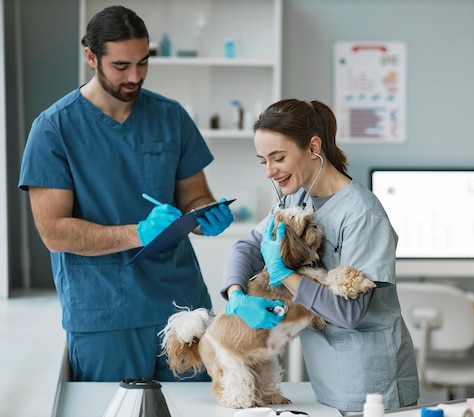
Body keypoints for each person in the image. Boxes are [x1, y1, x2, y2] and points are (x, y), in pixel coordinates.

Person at [18, 5, 234, 382]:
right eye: (121, 66)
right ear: (91, 57)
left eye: (143, 62)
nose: (135, 76)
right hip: (105, 312)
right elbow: (54, 232)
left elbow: (195, 196)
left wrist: (206, 216)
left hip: (182, 306)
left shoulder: (171, 117)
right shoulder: (54, 129)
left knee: (199, 408)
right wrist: (140, 232)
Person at [220, 99, 419, 412]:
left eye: (278, 158)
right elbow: (247, 247)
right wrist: (235, 294)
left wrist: (285, 274)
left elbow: (349, 313)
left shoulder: (362, 215)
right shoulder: (296, 198)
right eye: (263, 161)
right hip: (327, 378)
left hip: (370, 383)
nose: (270, 172)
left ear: (313, 147)